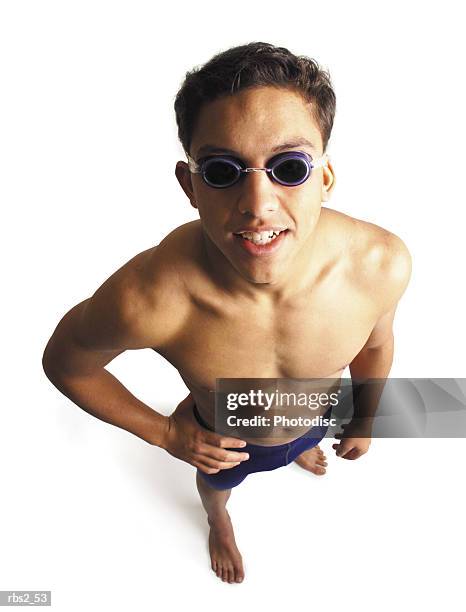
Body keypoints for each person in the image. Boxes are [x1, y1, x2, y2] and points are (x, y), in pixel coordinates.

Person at [42, 42, 412, 584]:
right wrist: (166, 434)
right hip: (227, 442)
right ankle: (218, 521)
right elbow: (65, 364)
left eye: (289, 167)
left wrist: (366, 416)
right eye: (222, 170)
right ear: (190, 185)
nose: (258, 206)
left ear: (325, 177)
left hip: (315, 421)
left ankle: (297, 451)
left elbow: (375, 345)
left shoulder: (379, 265)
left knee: (301, 441)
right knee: (217, 488)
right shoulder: (150, 297)